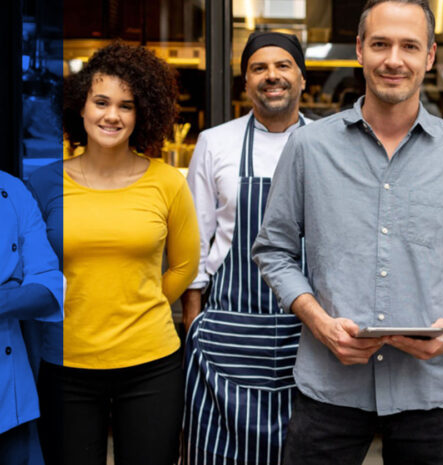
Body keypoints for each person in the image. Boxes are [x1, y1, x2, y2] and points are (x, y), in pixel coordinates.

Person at [252, 1, 443, 464]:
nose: (394, 59)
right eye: (380, 44)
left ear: (430, 56)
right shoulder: (309, 147)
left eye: (409, 46)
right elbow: (273, 249)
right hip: (330, 384)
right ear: (359, 50)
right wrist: (318, 321)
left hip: (428, 388)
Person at [35, 42, 200, 465]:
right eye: (102, 102)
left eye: (126, 106)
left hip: (151, 362)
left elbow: (185, 264)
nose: (112, 115)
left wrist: (139, 303)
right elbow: (31, 271)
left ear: (141, 113)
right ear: (81, 107)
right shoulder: (44, 184)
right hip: (66, 362)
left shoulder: (167, 182)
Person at [181, 31, 308, 465]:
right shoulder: (215, 142)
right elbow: (196, 235)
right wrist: (194, 320)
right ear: (245, 82)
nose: (271, 76)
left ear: (302, 79)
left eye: (283, 65)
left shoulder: (332, 143)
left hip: (308, 333)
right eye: (259, 68)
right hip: (229, 331)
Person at [0, 170, 63, 465]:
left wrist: (21, 291)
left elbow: (48, 288)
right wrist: (11, 287)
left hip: (7, 400)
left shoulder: (12, 190)